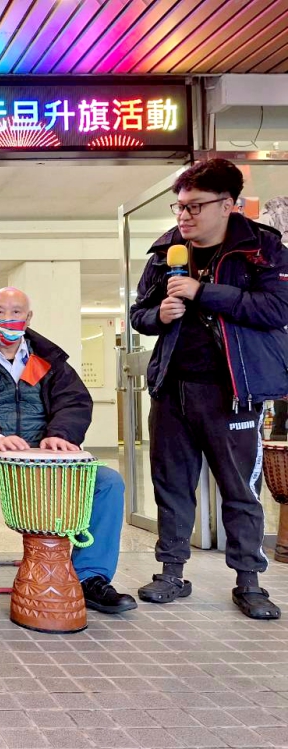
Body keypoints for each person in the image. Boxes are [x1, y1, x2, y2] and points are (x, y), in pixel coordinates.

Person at [130, 158, 287, 620]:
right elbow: (140, 313)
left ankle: (249, 581)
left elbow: (275, 310)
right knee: (171, 484)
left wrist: (204, 293)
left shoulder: (262, 250)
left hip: (233, 391)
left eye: (194, 206)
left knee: (240, 490)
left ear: (227, 204)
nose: (184, 216)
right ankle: (171, 573)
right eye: (180, 206)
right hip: (171, 388)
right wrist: (157, 316)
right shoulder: (167, 251)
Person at [0, 287, 137, 615]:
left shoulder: (47, 360)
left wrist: (60, 435)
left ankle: (91, 578)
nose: (8, 318)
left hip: (45, 460)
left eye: (16, 312)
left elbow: (74, 401)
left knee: (109, 483)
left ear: (28, 318)